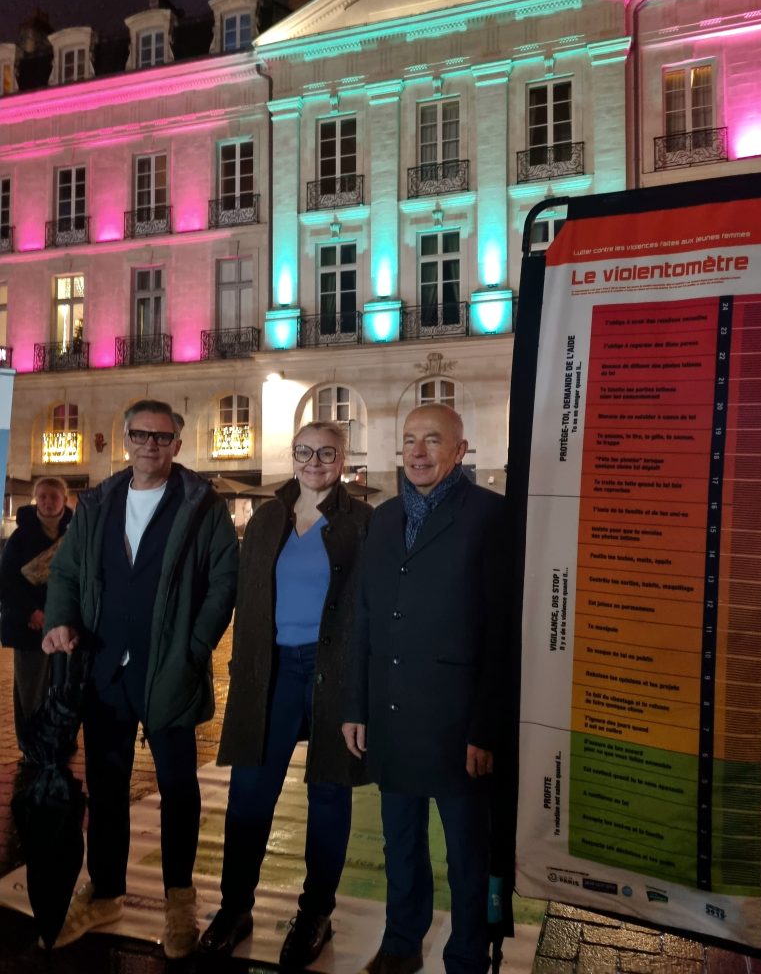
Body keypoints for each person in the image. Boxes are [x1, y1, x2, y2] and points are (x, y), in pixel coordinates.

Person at [42, 399, 239, 959]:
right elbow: (68, 570)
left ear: (178, 443)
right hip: (105, 667)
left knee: (179, 788)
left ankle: (180, 900)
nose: (150, 445)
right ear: (126, 438)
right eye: (140, 435)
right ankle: (104, 890)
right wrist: (60, 619)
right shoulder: (99, 502)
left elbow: (225, 581)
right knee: (106, 786)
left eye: (162, 437)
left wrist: (195, 648)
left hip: (169, 669)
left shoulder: (202, 505)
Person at [342, 404, 513, 974]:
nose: (418, 451)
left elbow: (502, 632)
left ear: (460, 450)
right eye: (409, 439)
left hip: (457, 722)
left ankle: (467, 955)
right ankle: (400, 943)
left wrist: (486, 728)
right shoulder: (384, 518)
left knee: (467, 852)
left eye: (432, 440)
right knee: (401, 844)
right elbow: (364, 616)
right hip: (390, 714)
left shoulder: (491, 516)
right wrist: (355, 706)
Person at [200, 421, 371, 967]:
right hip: (269, 671)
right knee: (249, 793)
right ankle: (234, 908)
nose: (314, 461)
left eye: (326, 452)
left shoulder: (361, 522)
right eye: (304, 451)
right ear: (292, 456)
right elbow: (246, 597)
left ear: (342, 457)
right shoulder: (269, 516)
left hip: (331, 672)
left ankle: (316, 911)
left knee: (328, 795)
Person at [0, 477, 73, 758]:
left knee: (62, 685)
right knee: (31, 689)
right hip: (30, 626)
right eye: (42, 496)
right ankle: (31, 743)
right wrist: (32, 612)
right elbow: (7, 581)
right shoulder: (20, 537)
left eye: (53, 496)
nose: (47, 502)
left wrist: (62, 615)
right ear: (35, 500)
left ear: (64, 500)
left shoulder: (75, 534)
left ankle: (57, 738)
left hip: (65, 625)